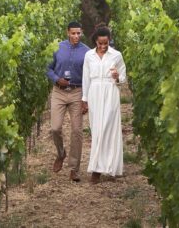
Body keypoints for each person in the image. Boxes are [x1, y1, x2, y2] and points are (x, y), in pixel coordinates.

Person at [81, 25, 127, 184]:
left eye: (105, 43)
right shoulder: (89, 56)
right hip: (95, 93)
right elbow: (85, 78)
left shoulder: (117, 55)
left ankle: (104, 169)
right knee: (97, 130)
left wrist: (117, 76)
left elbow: (123, 78)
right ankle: (99, 167)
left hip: (110, 92)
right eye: (100, 43)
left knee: (109, 129)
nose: (103, 46)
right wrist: (84, 99)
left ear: (109, 41)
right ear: (95, 41)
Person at [46, 21, 91, 181]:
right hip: (58, 92)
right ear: (67, 33)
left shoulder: (87, 52)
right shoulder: (58, 48)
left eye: (78, 33)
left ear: (82, 33)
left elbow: (89, 77)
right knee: (55, 128)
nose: (76, 36)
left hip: (77, 92)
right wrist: (57, 79)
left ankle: (74, 168)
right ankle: (61, 153)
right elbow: (48, 68)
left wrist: (86, 99)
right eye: (73, 33)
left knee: (77, 131)